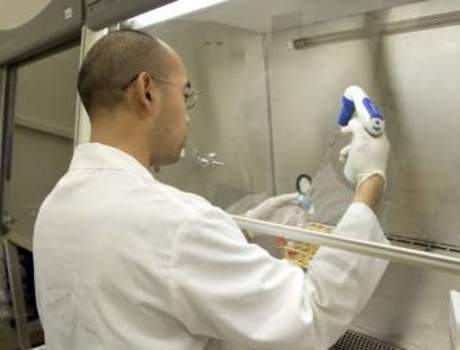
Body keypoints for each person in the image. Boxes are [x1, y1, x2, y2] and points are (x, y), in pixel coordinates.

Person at [33, 29, 390, 350]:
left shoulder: (57, 205)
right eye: (186, 94)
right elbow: (309, 313)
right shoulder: (174, 223)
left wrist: (239, 228)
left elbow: (143, 287)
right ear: (147, 91)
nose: (188, 115)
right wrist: (370, 180)